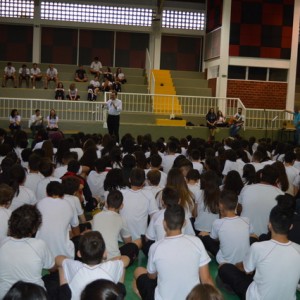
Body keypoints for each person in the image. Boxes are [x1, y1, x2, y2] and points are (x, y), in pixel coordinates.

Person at [218, 195, 300, 300]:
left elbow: (246, 269)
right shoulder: (298, 250)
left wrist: (234, 265)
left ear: (269, 224)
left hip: (256, 297)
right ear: (290, 226)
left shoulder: (258, 247)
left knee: (224, 268)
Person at [133, 204, 214, 300]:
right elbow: (206, 279)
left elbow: (151, 276)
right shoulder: (197, 242)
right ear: (184, 223)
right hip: (193, 297)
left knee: (138, 271)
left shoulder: (155, 247)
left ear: (164, 224)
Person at [0, 205, 55, 299]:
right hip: (35, 295)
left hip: (5, 295)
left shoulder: (2, 243)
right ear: (34, 229)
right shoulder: (39, 244)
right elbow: (52, 268)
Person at [55, 231, 129, 300]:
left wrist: (69, 262)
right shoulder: (111, 266)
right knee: (122, 268)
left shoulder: (74, 266)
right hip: (103, 294)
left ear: (79, 253)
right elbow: (126, 259)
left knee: (62, 267)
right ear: (105, 254)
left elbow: (58, 259)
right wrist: (109, 262)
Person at [200, 190, 253, 264]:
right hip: (244, 261)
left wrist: (206, 234)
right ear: (236, 205)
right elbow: (251, 234)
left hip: (225, 262)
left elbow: (214, 239)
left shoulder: (218, 223)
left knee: (204, 236)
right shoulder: (246, 220)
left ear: (221, 205)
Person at [92, 190, 140, 264]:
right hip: (115, 260)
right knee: (137, 243)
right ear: (121, 206)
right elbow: (128, 242)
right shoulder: (121, 219)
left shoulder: (96, 217)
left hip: (95, 258)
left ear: (106, 203)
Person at [36, 181, 80, 258]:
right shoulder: (67, 205)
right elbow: (75, 228)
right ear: (63, 195)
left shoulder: (39, 203)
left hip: (40, 251)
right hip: (63, 254)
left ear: (46, 193)